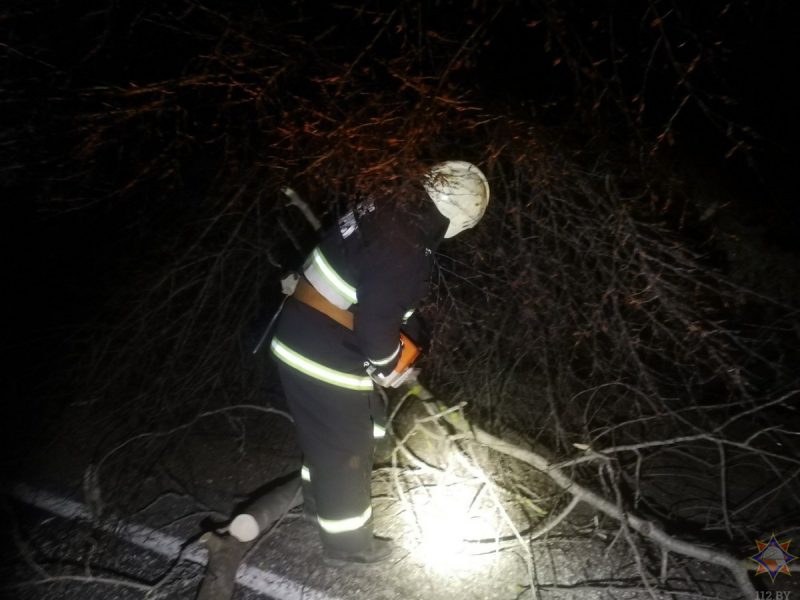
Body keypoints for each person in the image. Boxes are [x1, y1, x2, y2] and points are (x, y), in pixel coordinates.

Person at [269, 161, 490, 564]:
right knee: (345, 444)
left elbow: (373, 292)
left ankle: (318, 504)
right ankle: (348, 546)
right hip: (324, 344)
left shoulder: (387, 209)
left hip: (309, 329)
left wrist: (399, 344)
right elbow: (375, 322)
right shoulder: (408, 245)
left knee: (355, 423)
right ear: (458, 217)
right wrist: (389, 366)